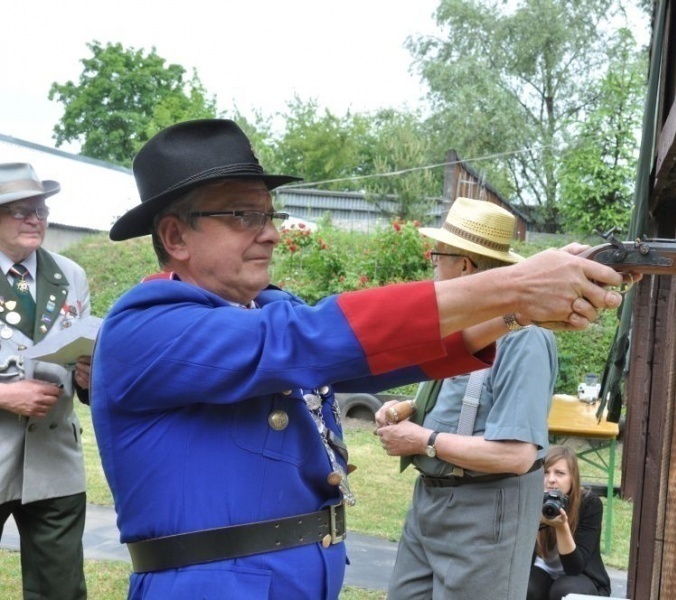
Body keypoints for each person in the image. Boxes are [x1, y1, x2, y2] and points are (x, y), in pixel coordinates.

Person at [90, 118, 627, 600]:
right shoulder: (146, 326)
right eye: (243, 215)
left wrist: (516, 311)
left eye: (270, 214)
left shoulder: (263, 310)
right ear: (175, 236)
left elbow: (373, 356)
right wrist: (514, 285)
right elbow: (311, 338)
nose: (271, 233)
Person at [374, 197, 558, 599]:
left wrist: (423, 440)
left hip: (485, 510)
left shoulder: (523, 337)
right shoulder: (459, 327)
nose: (432, 266)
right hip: (431, 502)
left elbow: (516, 456)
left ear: (465, 266)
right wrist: (407, 409)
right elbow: (461, 403)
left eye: (437, 255)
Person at [0, 163, 93, 600]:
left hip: (55, 459)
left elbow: (81, 354)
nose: (34, 219)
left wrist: (90, 377)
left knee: (61, 590)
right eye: (20, 211)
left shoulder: (71, 274)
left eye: (41, 210)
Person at [528, 445, 611, 599]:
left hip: (580, 575)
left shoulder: (589, 504)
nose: (551, 480)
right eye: (545, 472)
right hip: (541, 570)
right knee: (527, 588)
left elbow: (574, 568)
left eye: (560, 473)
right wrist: (534, 521)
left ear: (573, 478)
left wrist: (562, 527)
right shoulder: (530, 498)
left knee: (565, 590)